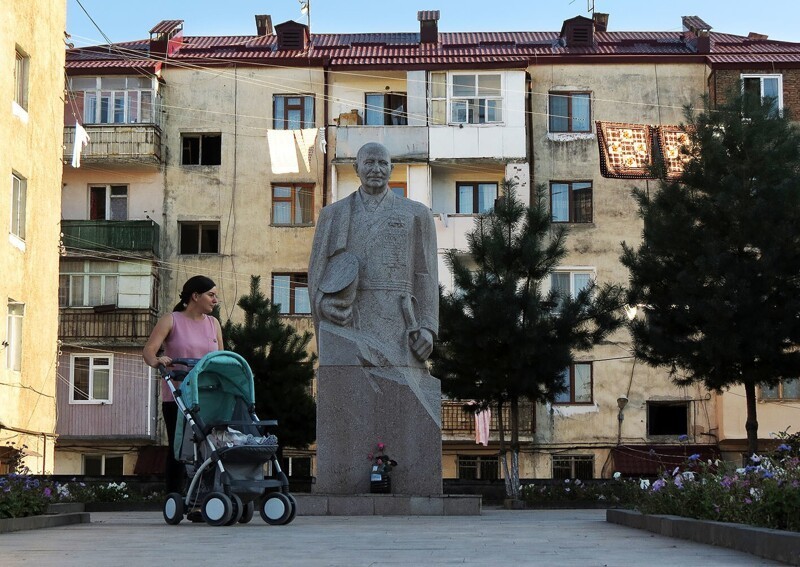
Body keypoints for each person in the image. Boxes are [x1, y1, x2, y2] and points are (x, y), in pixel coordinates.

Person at [308, 141, 438, 368]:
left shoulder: (417, 214)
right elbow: (317, 274)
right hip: (350, 322)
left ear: (392, 169)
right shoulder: (333, 215)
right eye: (369, 163)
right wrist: (323, 305)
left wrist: (428, 327)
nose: (376, 169)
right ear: (356, 169)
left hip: (401, 326)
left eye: (382, 163)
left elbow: (425, 274)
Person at [143, 275, 223, 494]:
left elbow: (221, 358)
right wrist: (157, 360)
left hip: (208, 397)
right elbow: (149, 351)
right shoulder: (171, 320)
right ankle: (175, 497)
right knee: (179, 449)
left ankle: (206, 497)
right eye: (211, 295)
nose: (215, 300)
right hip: (177, 397)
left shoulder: (213, 324)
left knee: (210, 448)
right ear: (195, 296)